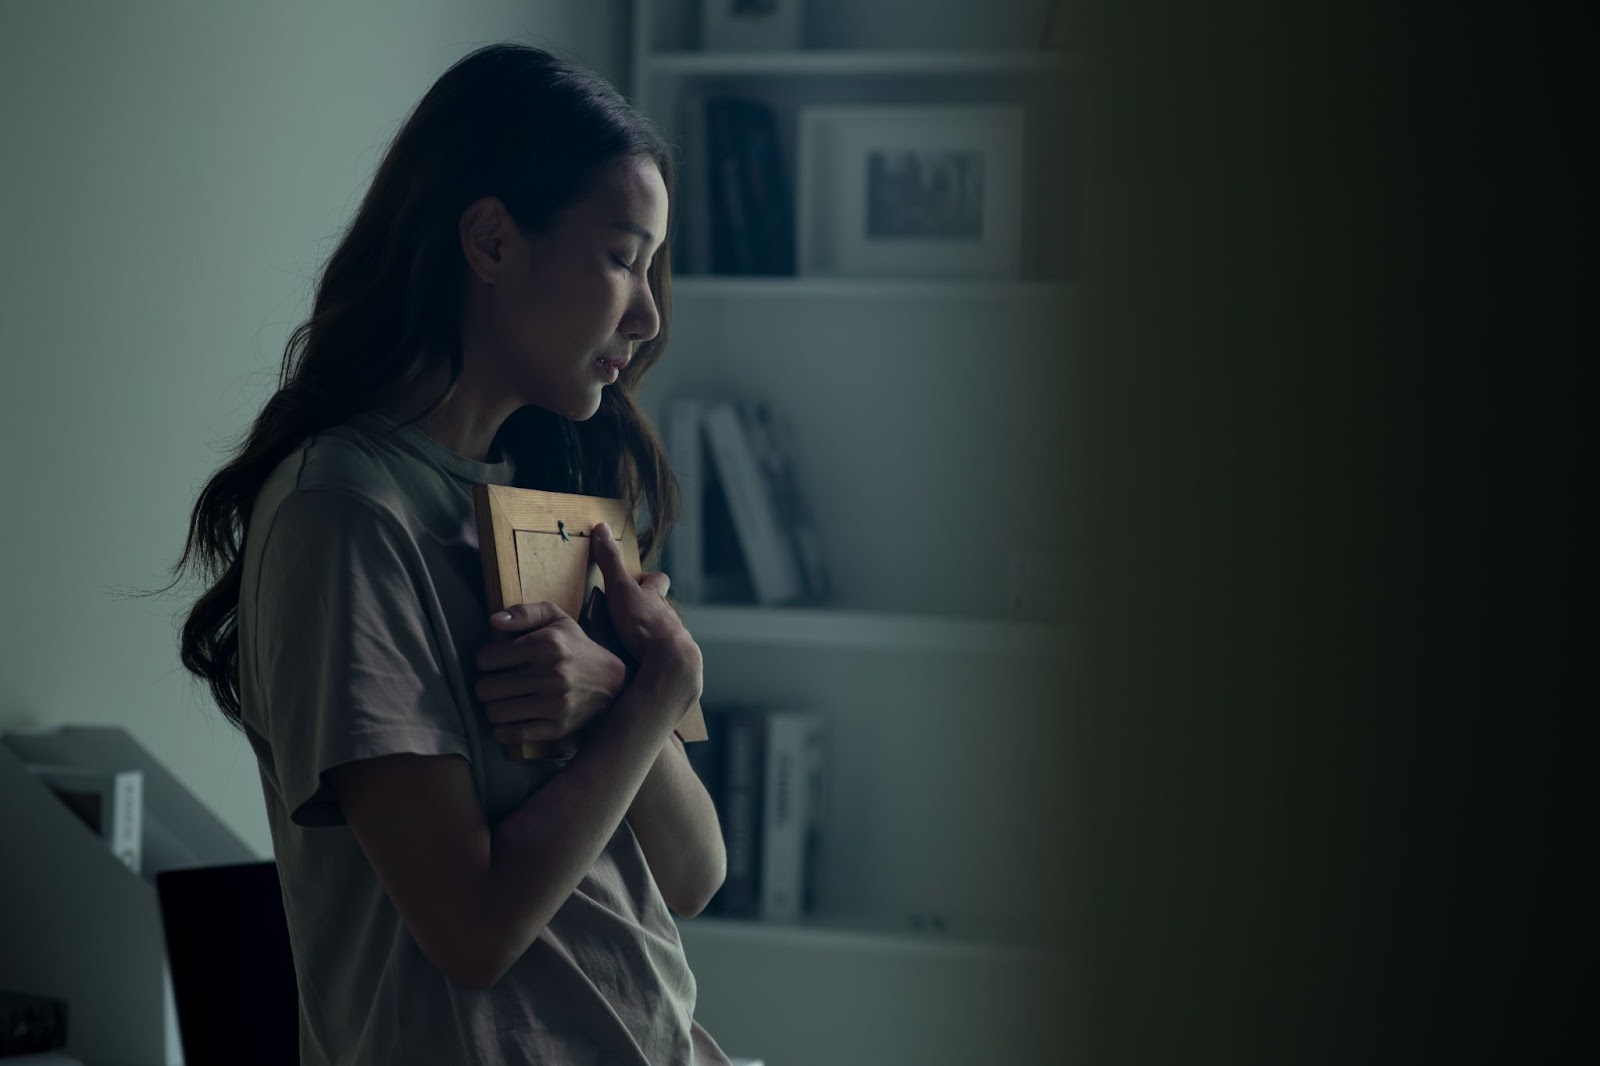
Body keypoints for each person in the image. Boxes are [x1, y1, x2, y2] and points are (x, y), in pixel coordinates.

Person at [168, 42, 732, 1065]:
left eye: (652, 267)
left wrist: (618, 690)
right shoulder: (341, 515)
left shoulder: (552, 512)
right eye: (621, 256)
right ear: (489, 240)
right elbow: (471, 930)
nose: (648, 315)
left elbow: (692, 873)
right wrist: (654, 694)